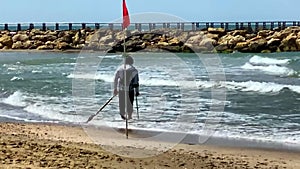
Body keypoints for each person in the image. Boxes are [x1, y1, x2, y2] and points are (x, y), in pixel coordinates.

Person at [113, 55, 139, 120]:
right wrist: (137, 91)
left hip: (121, 89)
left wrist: (115, 89)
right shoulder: (134, 69)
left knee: (121, 103)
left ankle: (122, 115)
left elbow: (115, 79)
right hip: (130, 89)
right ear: (132, 61)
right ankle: (129, 117)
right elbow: (136, 82)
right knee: (130, 103)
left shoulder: (119, 68)